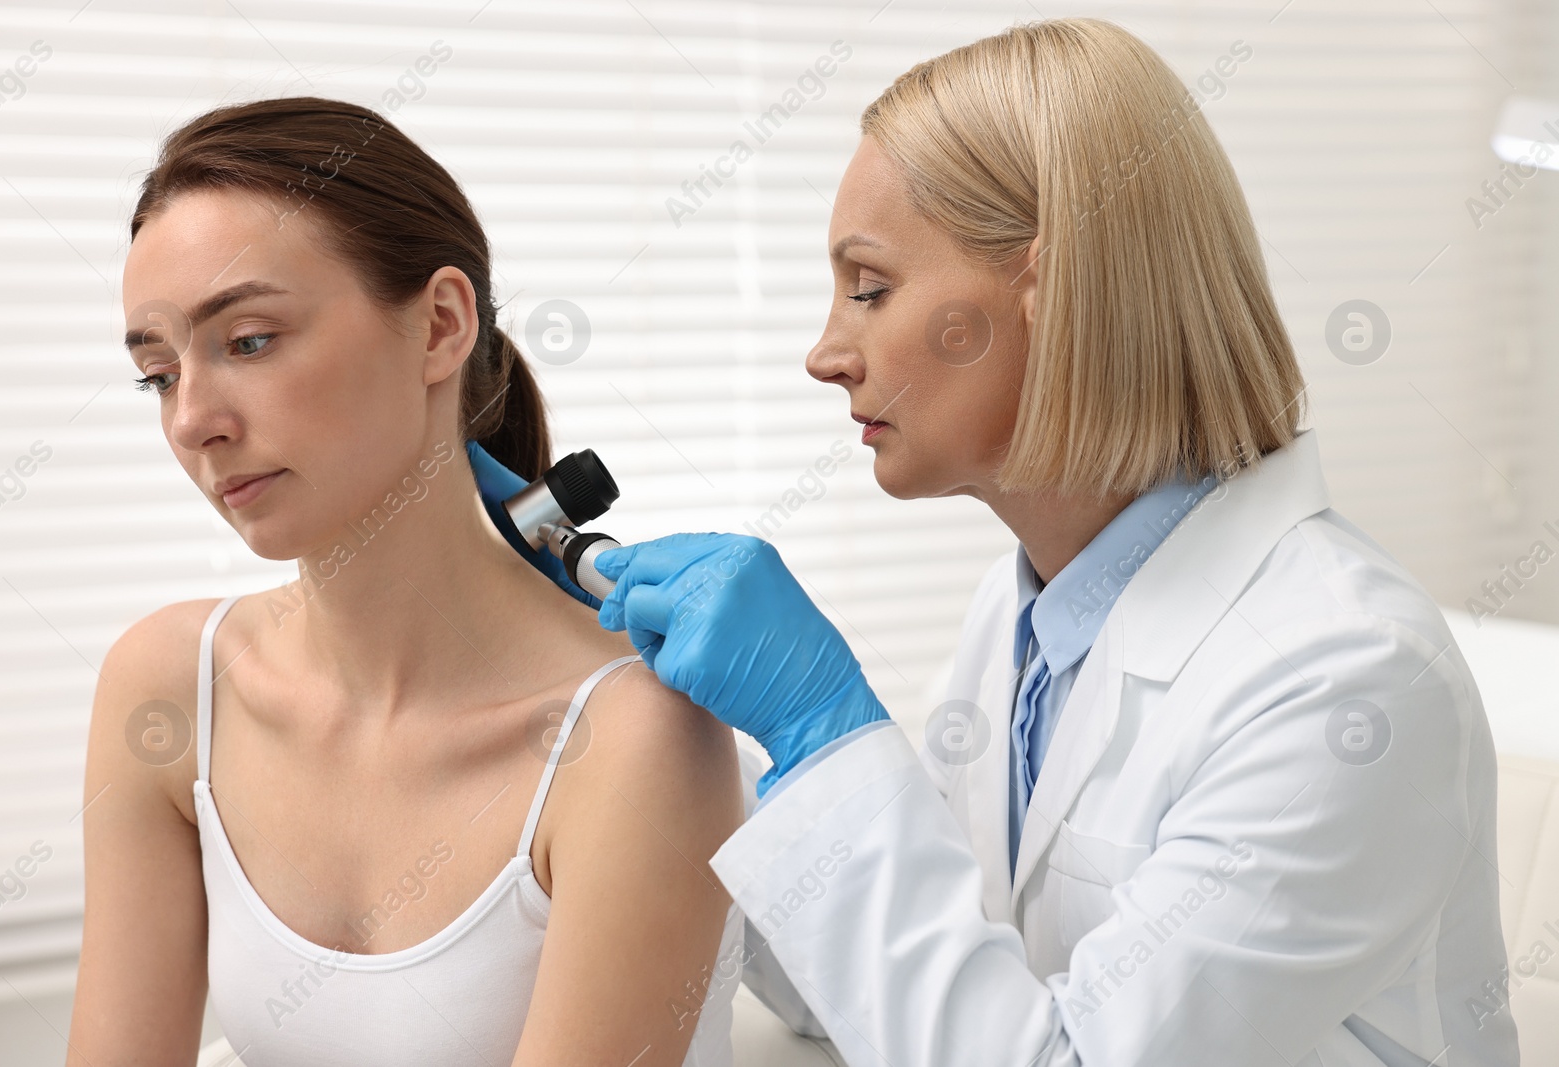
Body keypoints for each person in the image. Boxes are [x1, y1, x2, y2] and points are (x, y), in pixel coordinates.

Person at [481, 17, 1518, 1067]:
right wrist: (678, 740)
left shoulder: (1344, 681)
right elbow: (919, 994)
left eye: (871, 287)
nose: (825, 352)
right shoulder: (1032, 609)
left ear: (1051, 291)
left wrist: (825, 730)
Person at [68, 97, 744, 1067]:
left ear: (438, 325)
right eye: (158, 373)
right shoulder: (173, 686)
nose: (191, 418)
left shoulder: (631, 738)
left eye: (249, 339)